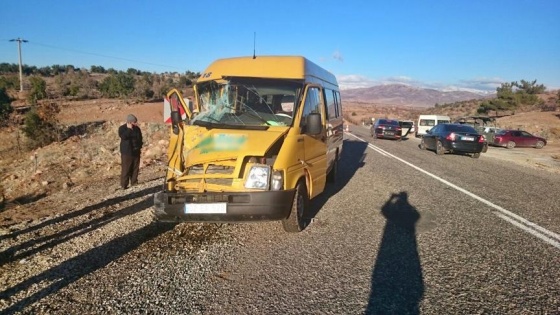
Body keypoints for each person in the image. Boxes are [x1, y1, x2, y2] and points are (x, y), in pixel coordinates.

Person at [118, 114, 143, 189]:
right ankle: (124, 185)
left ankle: (134, 182)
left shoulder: (137, 129)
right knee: (126, 168)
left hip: (136, 151)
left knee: (135, 168)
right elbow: (123, 137)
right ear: (129, 122)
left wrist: (140, 146)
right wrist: (129, 129)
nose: (135, 123)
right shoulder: (122, 128)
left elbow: (140, 138)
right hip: (127, 152)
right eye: (134, 122)